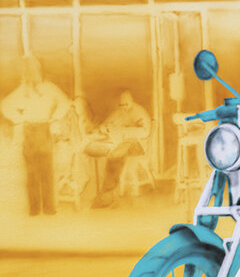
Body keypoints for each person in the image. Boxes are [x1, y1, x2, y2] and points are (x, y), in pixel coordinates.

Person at [1, 55, 70, 216]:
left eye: (32, 70)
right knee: (35, 172)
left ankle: (44, 208)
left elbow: (65, 103)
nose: (30, 74)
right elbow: (5, 106)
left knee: (42, 171)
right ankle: (39, 209)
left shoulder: (47, 87)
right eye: (28, 71)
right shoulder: (23, 90)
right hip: (32, 130)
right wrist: (20, 119)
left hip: (42, 129)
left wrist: (54, 118)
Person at [86, 89, 151, 207]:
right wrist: (104, 128)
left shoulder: (139, 112)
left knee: (116, 154)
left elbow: (145, 131)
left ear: (132, 101)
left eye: (126, 104)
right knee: (99, 150)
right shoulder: (119, 111)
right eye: (122, 104)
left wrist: (126, 132)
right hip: (120, 142)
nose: (124, 107)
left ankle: (107, 194)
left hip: (137, 145)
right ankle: (104, 193)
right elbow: (106, 123)